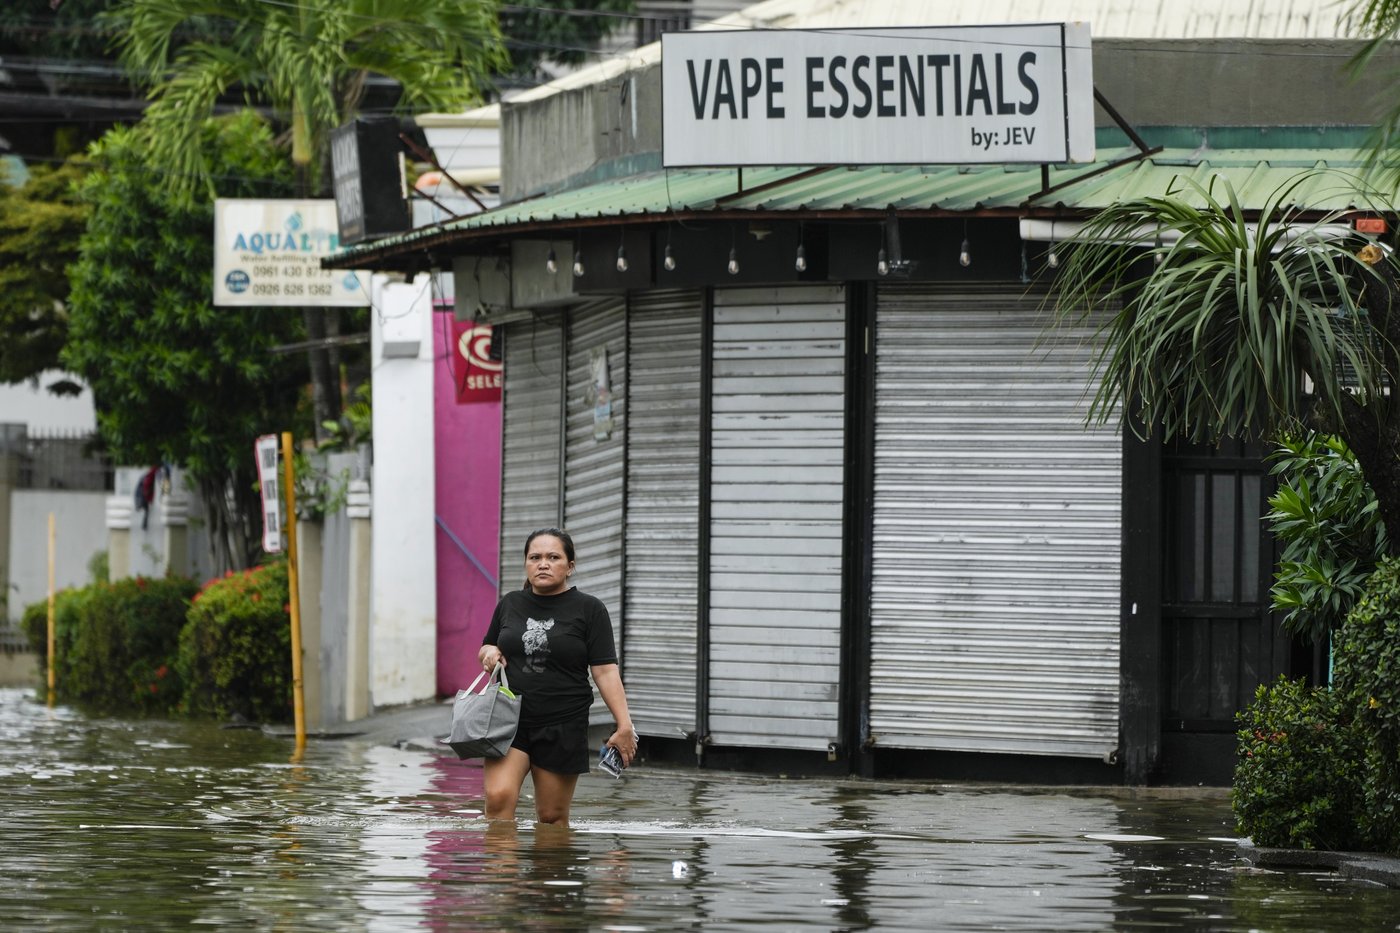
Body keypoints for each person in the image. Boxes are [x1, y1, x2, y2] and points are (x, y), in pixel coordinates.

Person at [478, 527, 638, 823]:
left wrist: (624, 724)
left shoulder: (590, 609)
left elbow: (605, 671)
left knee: (551, 816)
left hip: (563, 722)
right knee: (498, 800)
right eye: (535, 557)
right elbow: (488, 645)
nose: (543, 564)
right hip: (509, 719)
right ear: (526, 563)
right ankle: (501, 857)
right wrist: (488, 653)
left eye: (553, 557)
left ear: (570, 566)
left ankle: (551, 856)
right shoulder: (510, 603)